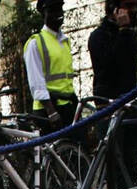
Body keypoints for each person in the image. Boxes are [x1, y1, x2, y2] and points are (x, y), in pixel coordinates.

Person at [24, 0, 78, 129]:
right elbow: (36, 82)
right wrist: (51, 111)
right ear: (44, 14)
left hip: (68, 106)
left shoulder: (64, 41)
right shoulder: (35, 43)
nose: (58, 13)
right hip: (48, 109)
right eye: (52, 10)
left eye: (59, 8)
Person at [88, 0, 137, 101]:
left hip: (129, 97)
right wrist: (123, 30)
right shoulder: (99, 36)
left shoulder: (128, 33)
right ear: (114, 8)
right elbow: (111, 66)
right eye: (128, 6)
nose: (134, 10)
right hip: (109, 101)